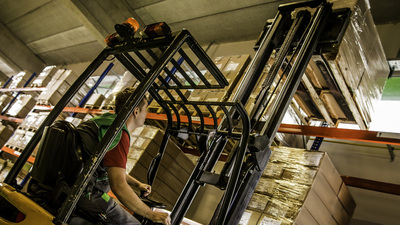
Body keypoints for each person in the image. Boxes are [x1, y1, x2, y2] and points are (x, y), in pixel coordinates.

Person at [74, 87, 171, 225]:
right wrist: (152, 215)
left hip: (76, 186)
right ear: (136, 112)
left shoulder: (105, 122)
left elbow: (112, 168)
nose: (146, 114)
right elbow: (118, 186)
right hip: (85, 193)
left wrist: (138, 184)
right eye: (146, 110)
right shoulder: (118, 134)